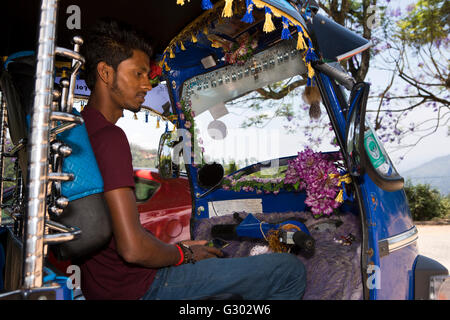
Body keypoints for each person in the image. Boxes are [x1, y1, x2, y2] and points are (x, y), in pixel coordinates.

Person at [78, 19, 307, 300]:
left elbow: (119, 236)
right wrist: (183, 254)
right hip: (141, 289)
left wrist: (182, 249)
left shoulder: (82, 131)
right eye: (137, 73)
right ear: (105, 72)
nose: (147, 85)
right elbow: (132, 249)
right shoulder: (110, 138)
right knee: (288, 271)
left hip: (106, 288)